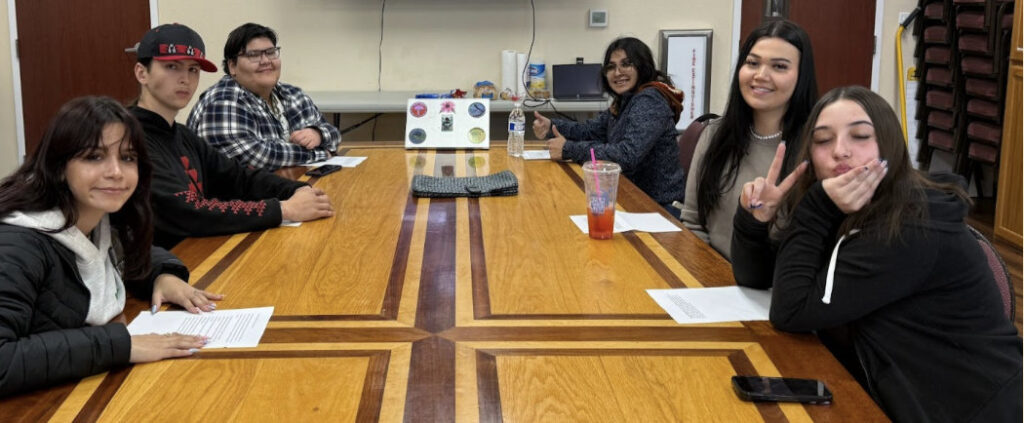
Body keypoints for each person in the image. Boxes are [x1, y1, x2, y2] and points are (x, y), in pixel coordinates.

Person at [731, 86, 1022, 422]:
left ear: (889, 144)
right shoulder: (847, 206)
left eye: (860, 136)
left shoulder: (912, 227)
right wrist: (755, 222)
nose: (840, 151)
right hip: (885, 392)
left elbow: (791, 311)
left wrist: (816, 209)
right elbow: (759, 278)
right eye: (823, 140)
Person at [0, 97, 224, 397]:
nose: (116, 172)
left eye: (128, 157)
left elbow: (126, 250)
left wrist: (162, 274)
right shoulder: (17, 244)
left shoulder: (99, 219)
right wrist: (123, 344)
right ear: (58, 165)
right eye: (94, 156)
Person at [131, 23, 334, 249]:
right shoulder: (129, 138)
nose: (185, 79)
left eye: (193, 70)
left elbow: (238, 176)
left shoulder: (180, 134)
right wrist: (285, 209)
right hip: (162, 270)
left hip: (197, 251)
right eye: (172, 67)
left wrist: (295, 190)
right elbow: (188, 211)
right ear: (142, 73)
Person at [680, 19, 817, 260]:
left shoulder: (816, 148)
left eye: (779, 66)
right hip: (711, 283)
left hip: (776, 290)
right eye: (753, 63)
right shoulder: (714, 134)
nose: (761, 75)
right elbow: (693, 224)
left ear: (801, 76)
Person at [532, 37, 685, 213]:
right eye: (611, 67)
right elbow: (589, 130)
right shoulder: (625, 101)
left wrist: (568, 149)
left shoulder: (650, 100)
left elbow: (626, 155)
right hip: (631, 197)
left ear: (642, 66)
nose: (617, 72)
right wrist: (551, 125)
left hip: (658, 208)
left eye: (626, 64)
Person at [187, 22, 340, 170]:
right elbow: (254, 157)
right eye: (254, 55)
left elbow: (333, 135)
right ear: (232, 66)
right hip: (237, 195)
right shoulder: (223, 100)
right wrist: (319, 153)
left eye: (271, 52)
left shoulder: (292, 94)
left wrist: (318, 134)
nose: (266, 61)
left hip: (289, 185)